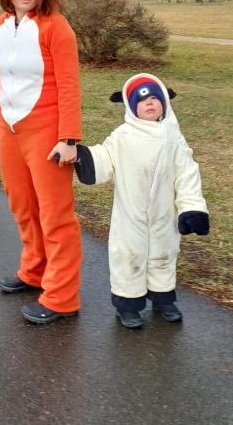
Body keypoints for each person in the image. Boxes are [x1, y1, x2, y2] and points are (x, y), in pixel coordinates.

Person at [0, 0, 83, 325]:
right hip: (10, 131)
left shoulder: (56, 27)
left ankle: (62, 296)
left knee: (55, 214)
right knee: (23, 207)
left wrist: (68, 139)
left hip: (47, 131)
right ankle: (35, 270)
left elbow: (69, 85)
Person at [74, 73, 210, 329]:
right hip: (130, 214)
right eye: (142, 100)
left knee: (164, 254)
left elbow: (187, 173)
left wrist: (192, 208)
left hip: (164, 213)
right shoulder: (122, 136)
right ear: (131, 107)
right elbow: (105, 158)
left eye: (155, 99)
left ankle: (163, 298)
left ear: (165, 103)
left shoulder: (174, 138)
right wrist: (81, 157)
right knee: (128, 256)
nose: (149, 103)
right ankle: (128, 305)